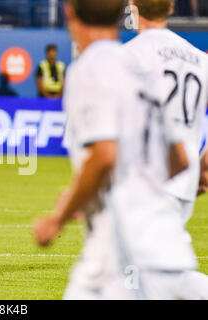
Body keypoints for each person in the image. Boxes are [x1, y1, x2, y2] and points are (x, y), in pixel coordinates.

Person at [33, 0, 204, 299]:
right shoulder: (142, 69)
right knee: (181, 284)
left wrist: (60, 216)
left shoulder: (98, 66)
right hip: (164, 228)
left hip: (123, 238)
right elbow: (179, 158)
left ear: (68, 12)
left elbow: (104, 156)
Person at [124, 0, 208, 247]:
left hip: (146, 178)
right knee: (159, 268)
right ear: (170, 8)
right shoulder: (198, 59)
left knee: (136, 267)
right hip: (186, 180)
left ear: (132, 6)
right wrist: (204, 162)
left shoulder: (130, 56)